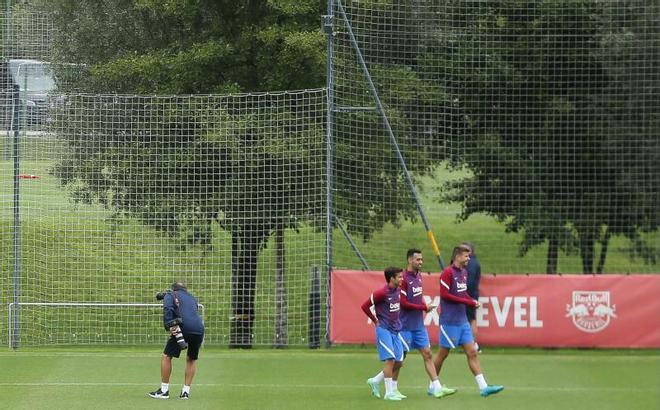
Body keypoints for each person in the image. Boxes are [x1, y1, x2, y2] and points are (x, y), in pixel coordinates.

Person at [366, 249, 455, 399]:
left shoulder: (419, 276)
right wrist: (424, 307)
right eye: (418, 260)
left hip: (418, 325)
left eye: (421, 259)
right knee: (399, 360)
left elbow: (417, 297)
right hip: (405, 326)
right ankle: (385, 385)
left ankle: (436, 387)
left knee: (427, 354)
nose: (421, 262)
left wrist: (424, 305)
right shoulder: (403, 279)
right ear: (409, 261)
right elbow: (404, 304)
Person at [434, 244, 504, 397]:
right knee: (443, 354)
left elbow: (462, 293)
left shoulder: (463, 273)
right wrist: (467, 302)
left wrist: (471, 300)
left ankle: (483, 387)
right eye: (466, 256)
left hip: (462, 320)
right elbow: (445, 295)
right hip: (449, 321)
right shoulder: (447, 273)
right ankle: (433, 385)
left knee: (472, 352)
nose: (468, 259)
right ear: (457, 256)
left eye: (469, 256)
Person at [148, 281, 205, 400]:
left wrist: (169, 325)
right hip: (199, 328)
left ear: (173, 289)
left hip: (183, 327)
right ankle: (185, 392)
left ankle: (164, 391)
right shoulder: (192, 297)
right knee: (191, 359)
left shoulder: (171, 295)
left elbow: (168, 308)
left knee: (167, 356)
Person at [361, 267, 406, 401]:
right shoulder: (381, 293)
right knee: (390, 361)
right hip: (384, 330)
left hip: (395, 330)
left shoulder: (398, 291)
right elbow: (364, 306)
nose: (402, 279)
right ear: (392, 278)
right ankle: (389, 393)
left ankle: (375, 380)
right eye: (399, 277)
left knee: (399, 362)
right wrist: (375, 320)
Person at [462, 241, 482, 353]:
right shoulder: (472, 262)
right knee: (468, 319)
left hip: (469, 295)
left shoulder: (472, 264)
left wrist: (462, 291)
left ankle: (474, 344)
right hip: (470, 294)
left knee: (471, 319)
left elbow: (469, 282)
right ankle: (469, 343)